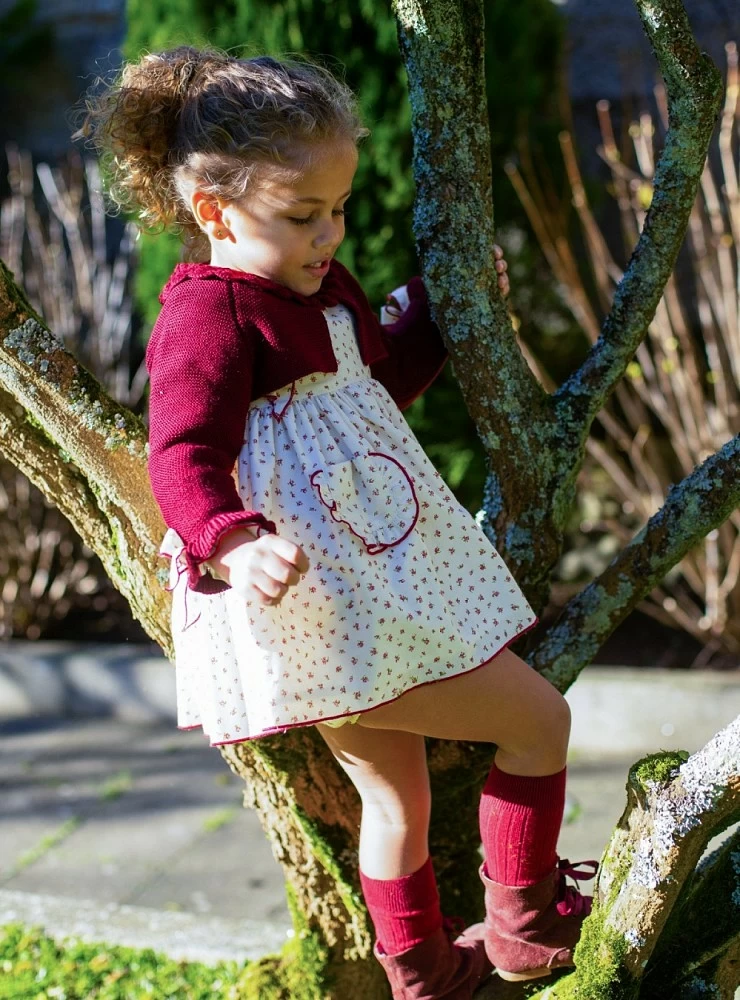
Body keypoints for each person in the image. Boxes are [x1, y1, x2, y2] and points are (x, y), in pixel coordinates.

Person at [75, 45, 596, 997]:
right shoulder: (207, 315)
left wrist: (443, 318)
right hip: (322, 615)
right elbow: (179, 454)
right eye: (303, 215)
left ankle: (426, 977)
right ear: (213, 212)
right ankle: (523, 923)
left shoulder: (326, 288)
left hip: (371, 596)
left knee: (396, 798)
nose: (329, 235)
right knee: (540, 721)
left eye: (339, 210)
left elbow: (375, 387)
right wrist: (231, 541)